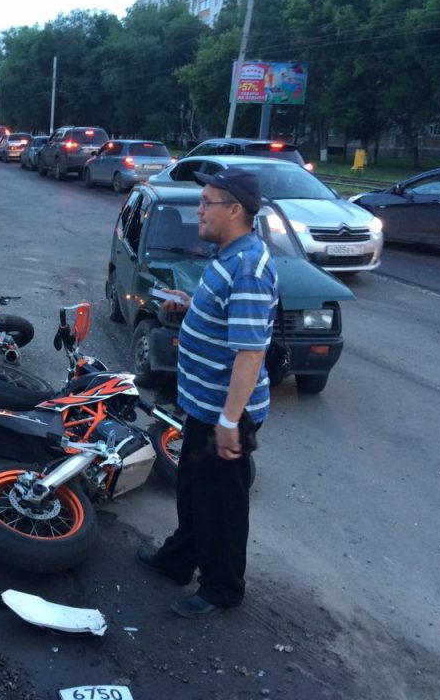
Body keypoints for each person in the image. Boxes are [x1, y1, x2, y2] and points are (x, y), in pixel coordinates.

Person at [137, 167, 278, 618]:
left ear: (235, 210)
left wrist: (229, 422)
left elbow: (250, 355)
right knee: (193, 491)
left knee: (222, 507)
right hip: (203, 405)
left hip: (225, 413)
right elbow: (222, 319)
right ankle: (179, 560)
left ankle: (222, 589)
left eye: (206, 202)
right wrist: (189, 303)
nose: (198, 210)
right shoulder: (226, 254)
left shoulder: (250, 267)